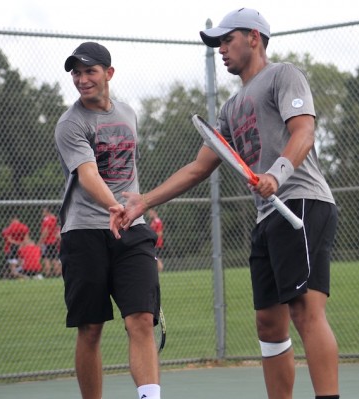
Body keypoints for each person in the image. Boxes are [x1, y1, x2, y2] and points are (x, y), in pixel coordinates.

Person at [110, 8, 339, 399]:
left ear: (254, 37)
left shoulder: (284, 75)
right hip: (267, 217)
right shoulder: (230, 108)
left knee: (304, 310)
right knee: (268, 323)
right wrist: (142, 202)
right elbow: (199, 168)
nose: (220, 49)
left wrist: (277, 174)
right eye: (217, 43)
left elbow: (304, 131)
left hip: (301, 204)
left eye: (226, 40)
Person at [55, 42, 161, 399]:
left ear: (108, 73)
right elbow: (87, 174)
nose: (81, 79)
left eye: (89, 71)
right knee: (90, 328)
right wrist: (112, 207)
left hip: (131, 228)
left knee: (142, 320)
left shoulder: (129, 113)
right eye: (76, 73)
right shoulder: (70, 124)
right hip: (85, 232)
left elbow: (127, 172)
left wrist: (129, 211)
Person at [38, 207, 61, 277]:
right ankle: (57, 273)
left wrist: (40, 241)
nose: (42, 214)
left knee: (46, 258)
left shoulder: (46, 219)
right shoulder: (54, 218)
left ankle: (48, 274)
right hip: (54, 241)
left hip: (47, 242)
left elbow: (45, 231)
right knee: (54, 258)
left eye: (44, 212)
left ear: (47, 212)